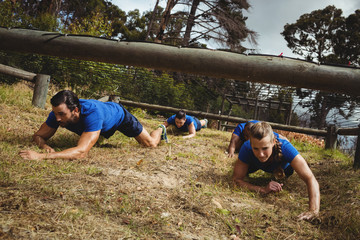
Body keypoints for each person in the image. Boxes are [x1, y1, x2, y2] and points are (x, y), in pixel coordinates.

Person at [19, 90, 168, 160]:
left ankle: (160, 128)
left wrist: (40, 157)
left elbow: (81, 153)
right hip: (100, 122)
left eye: (62, 114)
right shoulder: (57, 115)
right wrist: (44, 147)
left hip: (119, 116)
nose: (57, 118)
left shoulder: (93, 114)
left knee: (150, 144)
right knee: (95, 138)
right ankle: (97, 135)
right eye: (55, 113)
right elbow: (38, 135)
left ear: (75, 110)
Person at [232, 121, 320, 220]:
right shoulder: (247, 147)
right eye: (255, 148)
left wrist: (313, 211)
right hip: (256, 165)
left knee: (291, 171)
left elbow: (310, 178)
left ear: (273, 142)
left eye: (265, 148)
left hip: (284, 168)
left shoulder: (286, 147)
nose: (260, 154)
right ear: (250, 144)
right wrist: (262, 189)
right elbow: (236, 180)